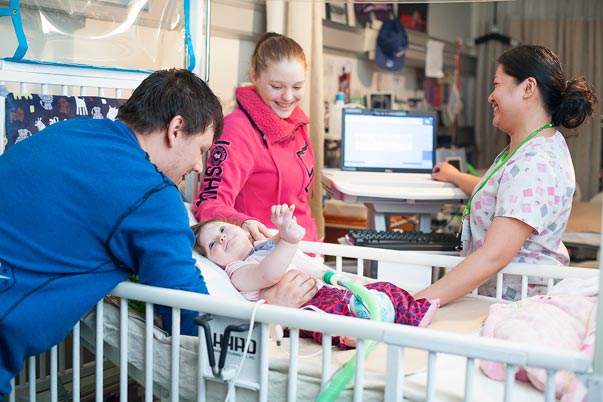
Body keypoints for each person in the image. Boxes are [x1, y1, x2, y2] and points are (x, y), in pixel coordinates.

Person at [0, 69, 317, 397]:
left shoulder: (68, 131)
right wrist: (271, 308)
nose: (198, 166)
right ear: (176, 128)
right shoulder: (151, 194)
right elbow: (190, 318)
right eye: (200, 150)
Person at [415, 45, 598, 305]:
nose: (490, 96)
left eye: (497, 84)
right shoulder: (531, 146)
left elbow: (495, 255)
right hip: (496, 297)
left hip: (514, 306)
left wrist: (412, 305)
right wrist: (455, 176)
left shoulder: (536, 161)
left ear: (527, 88)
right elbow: (509, 195)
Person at [192, 204, 437, 348]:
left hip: (319, 291)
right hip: (302, 308)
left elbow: (275, 244)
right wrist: (288, 241)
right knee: (326, 316)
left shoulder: (261, 245)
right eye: (213, 244)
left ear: (241, 228)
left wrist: (283, 225)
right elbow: (267, 273)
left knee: (381, 287)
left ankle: (413, 311)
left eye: (223, 229)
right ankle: (351, 337)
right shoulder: (238, 271)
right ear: (217, 264)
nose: (221, 238)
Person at [193, 32, 319, 242]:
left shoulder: (297, 123)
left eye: (297, 87)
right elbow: (209, 203)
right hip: (265, 253)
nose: (288, 97)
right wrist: (243, 222)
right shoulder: (237, 130)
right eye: (277, 87)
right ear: (254, 76)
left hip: (308, 249)